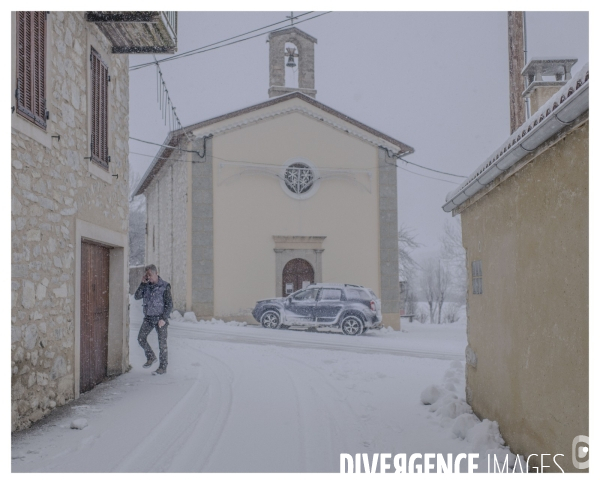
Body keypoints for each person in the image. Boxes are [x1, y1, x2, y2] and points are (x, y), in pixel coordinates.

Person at [134, 264, 172, 375]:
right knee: (141, 338)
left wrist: (164, 318)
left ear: (156, 273)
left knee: (162, 344)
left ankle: (162, 367)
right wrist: (142, 283)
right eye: (147, 275)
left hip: (160, 319)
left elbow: (169, 304)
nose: (148, 277)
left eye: (150, 275)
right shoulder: (146, 285)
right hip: (149, 318)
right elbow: (137, 296)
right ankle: (151, 356)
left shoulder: (165, 286)